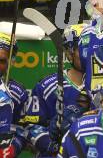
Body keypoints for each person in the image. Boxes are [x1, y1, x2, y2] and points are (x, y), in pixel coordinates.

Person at [25, 23, 90, 156]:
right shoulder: (47, 86)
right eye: (83, 48)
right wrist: (53, 144)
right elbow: (31, 126)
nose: (89, 54)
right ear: (69, 52)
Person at [0, 33, 29, 158]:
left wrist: (12, 148)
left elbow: (24, 130)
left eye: (1, 61)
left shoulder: (17, 92)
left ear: (10, 62)